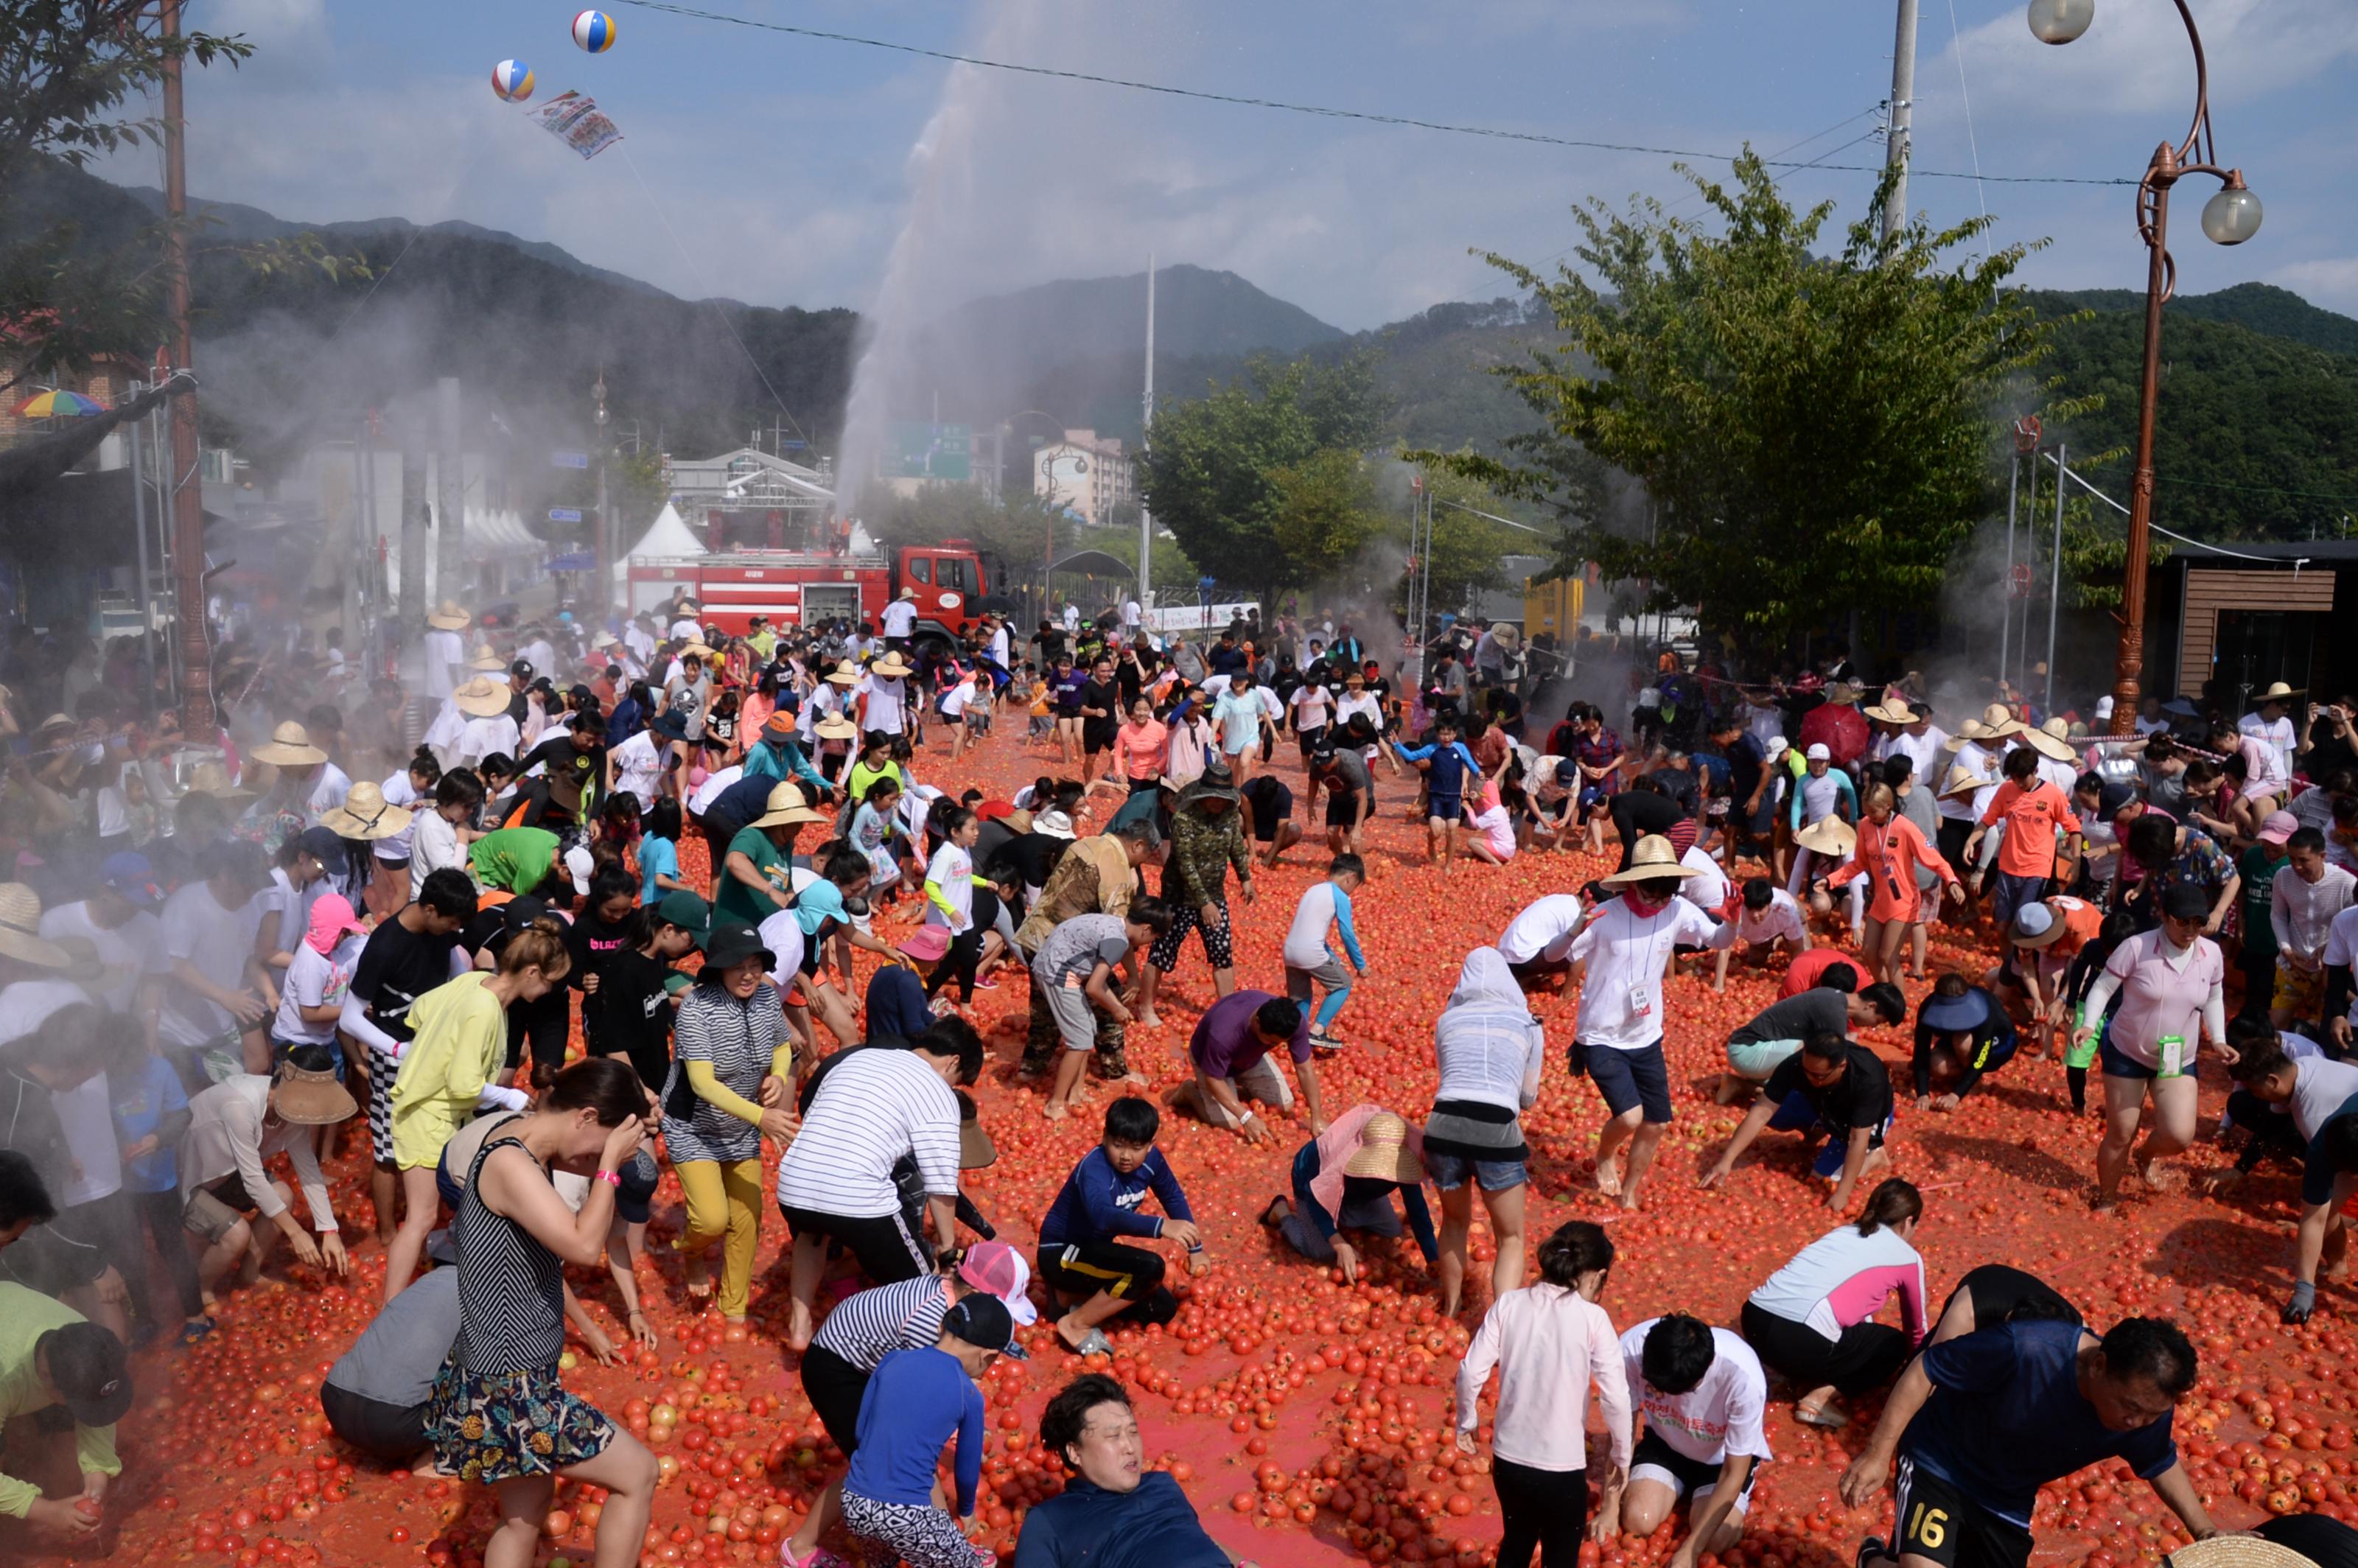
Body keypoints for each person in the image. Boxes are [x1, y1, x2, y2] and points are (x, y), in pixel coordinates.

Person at [424, 1057, 659, 1568]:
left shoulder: (520, 1142)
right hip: (511, 1386)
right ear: (585, 1116)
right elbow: (583, 1246)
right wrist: (610, 1166)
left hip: (497, 1375)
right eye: (598, 1143)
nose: (590, 1159)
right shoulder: (510, 1161)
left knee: (524, 1518)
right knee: (639, 1474)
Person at [1839, 1317, 2219, 1568]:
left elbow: (2158, 1461)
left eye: (2150, 1415)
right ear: (2099, 1366)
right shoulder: (2026, 1349)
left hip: (2006, 1496)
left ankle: (1878, 1563)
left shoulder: (2149, 1407)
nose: (2136, 1423)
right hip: (1940, 1463)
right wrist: (1877, 1454)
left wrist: (2204, 1531)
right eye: (2129, 1407)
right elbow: (1926, 1370)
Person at [786, 1244, 1040, 1567]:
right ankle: (801, 1548)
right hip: (835, 1366)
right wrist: (963, 1510)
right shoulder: (929, 1321)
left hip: (866, 1370)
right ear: (976, 1294)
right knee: (884, 1460)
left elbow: (879, 1415)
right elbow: (926, 1419)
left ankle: (921, 1541)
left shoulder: (940, 1323)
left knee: (879, 1461)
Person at [380, 920, 562, 1301]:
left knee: (446, 1210)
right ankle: (391, 1310)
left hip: (431, 1107)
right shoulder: (485, 1008)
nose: (549, 991)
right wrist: (509, 1097)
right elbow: (464, 1085)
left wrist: (438, 1049)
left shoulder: (474, 980)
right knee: (421, 1217)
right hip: (427, 1115)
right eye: (548, 981)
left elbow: (419, 1012)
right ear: (531, 972)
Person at [777, 1026, 981, 1351]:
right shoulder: (937, 1091)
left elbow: (815, 1114)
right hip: (856, 1196)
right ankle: (908, 1347)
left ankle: (800, 1326)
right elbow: (941, 1182)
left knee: (811, 1235)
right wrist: (946, 1246)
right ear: (953, 1062)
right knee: (924, 1283)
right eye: (957, 1081)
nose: (952, 1088)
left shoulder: (859, 1058)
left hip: (794, 1183)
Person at [1449, 1219, 1628, 1568]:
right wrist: (1620, 1455)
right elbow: (1616, 1398)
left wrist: (1467, 1420)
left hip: (1509, 1462)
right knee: (1560, 1557)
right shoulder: (1593, 1319)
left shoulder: (1509, 1304)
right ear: (1597, 1275)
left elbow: (1471, 1370)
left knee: (1516, 1542)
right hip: (1561, 1469)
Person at [1571, 836, 1736, 1210]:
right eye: (1651, 893)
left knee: (1657, 1123)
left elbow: (1718, 938)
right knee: (1630, 1117)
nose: (1659, 902)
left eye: (1667, 893)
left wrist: (1735, 922)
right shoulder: (1605, 916)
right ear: (1633, 883)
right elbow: (1558, 953)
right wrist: (1572, 928)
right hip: (1600, 1033)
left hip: (1646, 1034)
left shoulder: (1677, 910)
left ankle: (1630, 1189)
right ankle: (1604, 1154)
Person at [661, 922, 795, 1322]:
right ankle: (692, 1252)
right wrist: (763, 1116)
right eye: (739, 966)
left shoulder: (767, 1000)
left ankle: (733, 1308)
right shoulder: (696, 1011)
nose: (750, 974)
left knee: (747, 1218)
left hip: (740, 1128)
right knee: (710, 1219)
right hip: (694, 1127)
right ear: (718, 968)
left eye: (756, 964)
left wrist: (777, 1076)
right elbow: (702, 1084)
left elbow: (783, 1046)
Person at [340, 869, 477, 1243]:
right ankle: (386, 1234)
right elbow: (350, 1017)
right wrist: (399, 1049)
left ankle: (437, 1221)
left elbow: (457, 970)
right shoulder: (385, 946)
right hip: (394, 1056)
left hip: (439, 1051)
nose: (454, 929)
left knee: (443, 1138)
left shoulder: (443, 933)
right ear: (429, 909)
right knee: (388, 1148)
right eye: (451, 921)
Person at [2072, 882, 2228, 1208]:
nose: (2190, 930)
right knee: (2121, 1132)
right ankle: (2107, 1198)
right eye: (2182, 921)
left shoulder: (2211, 954)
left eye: (2198, 922)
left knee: (2180, 1135)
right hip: (2128, 1051)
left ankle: (2145, 1156)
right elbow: (2102, 988)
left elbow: (2214, 997)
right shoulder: (2135, 947)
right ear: (2164, 917)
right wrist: (2089, 1024)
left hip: (2178, 1057)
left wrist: (2219, 1039)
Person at [836, 1295, 1010, 1568]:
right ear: (987, 1356)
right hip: (907, 1514)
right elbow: (967, 1467)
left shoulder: (893, 1359)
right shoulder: (968, 1394)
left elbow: (862, 1430)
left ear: (943, 1326)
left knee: (882, 1563)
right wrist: (966, 1512)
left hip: (854, 1502)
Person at [1740, 1178, 1927, 1429]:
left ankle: (1799, 1374)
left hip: (1753, 1320)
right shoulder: (1908, 1258)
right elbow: (1916, 1331)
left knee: (1837, 1335)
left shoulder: (1843, 1232)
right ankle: (1820, 1398)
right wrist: (1917, 1377)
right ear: (1908, 1222)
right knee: (1893, 1344)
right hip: (1799, 1340)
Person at [178, 1046, 354, 1309]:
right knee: (237, 1233)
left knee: (283, 1195)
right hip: (189, 1180)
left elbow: (308, 1170)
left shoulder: (295, 1112)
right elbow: (253, 1180)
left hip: (228, 1172)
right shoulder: (239, 1106)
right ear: (285, 1080)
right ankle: (198, 1291)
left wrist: (329, 1230)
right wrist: (296, 1233)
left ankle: (248, 1273)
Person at [1422, 948, 1544, 1317]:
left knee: (1454, 1221)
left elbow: (1448, 1077)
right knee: (1510, 1237)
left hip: (1443, 1125)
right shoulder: (1528, 1023)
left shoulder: (1447, 1020)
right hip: (1496, 1129)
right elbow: (1528, 1097)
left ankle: (1452, 1306)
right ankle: (1502, 1325)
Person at [1036, 1096, 1206, 1355]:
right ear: (1105, 1138)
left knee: (1162, 1308)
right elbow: (1103, 1216)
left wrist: (1196, 1249)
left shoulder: (1153, 1161)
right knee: (1149, 1268)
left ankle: (1068, 1297)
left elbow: (1171, 1195)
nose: (1126, 1156)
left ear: (1151, 1145)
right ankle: (1075, 1323)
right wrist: (1160, 1226)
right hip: (1061, 1252)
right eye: (1118, 1145)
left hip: (1093, 1252)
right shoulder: (1095, 1167)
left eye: (1136, 1148)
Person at [1013, 1373, 1233, 1568]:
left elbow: (1198, 1538)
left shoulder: (1162, 1485)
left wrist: (1246, 1563)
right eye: (1113, 1436)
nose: (1130, 1447)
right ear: (1074, 1452)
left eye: (1133, 1432)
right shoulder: (1050, 1521)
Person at [1609, 1313, 1771, 1568]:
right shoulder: (1631, 1351)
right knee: (1637, 1521)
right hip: (1666, 1442)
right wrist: (1608, 1506)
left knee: (1714, 1542)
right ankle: (1682, 1490)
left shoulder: (1743, 1380)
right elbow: (1621, 1433)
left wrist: (1691, 1550)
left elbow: (1733, 1472)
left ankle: (1698, 1497)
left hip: (1721, 1458)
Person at [1701, 1029, 1895, 1211]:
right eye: (1806, 1071)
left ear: (1841, 1066)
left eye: (1818, 1075)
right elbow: (1761, 1112)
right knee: (1776, 1113)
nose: (1810, 1078)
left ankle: (1874, 1154)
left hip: (1863, 1122)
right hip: (1824, 1104)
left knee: (1823, 1178)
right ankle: (1819, 1128)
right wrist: (1727, 1160)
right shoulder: (1797, 1065)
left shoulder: (1867, 1080)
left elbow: (1857, 1139)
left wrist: (1843, 1194)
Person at [0, 1280, 132, 1539]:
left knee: (60, 1430)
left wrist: (97, 1471)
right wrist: (43, 1510)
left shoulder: (83, 1339)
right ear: (46, 1376)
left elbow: (97, 1402)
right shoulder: (6, 1375)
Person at [1259, 1105, 1437, 1284]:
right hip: (1311, 1184)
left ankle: (1344, 1214)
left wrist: (1434, 1260)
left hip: (1359, 1191)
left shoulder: (1404, 1162)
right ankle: (1281, 1211)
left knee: (1392, 1231)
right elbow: (1315, 1198)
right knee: (1321, 1252)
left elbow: (1417, 1211)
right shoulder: (1340, 1161)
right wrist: (1339, 1244)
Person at [1136, 766, 1254, 1025]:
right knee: (1162, 952)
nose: (1217, 802)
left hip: (1214, 894)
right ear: (1202, 794)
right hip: (1179, 896)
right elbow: (1185, 863)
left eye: (1222, 798)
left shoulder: (1229, 816)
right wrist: (1204, 904)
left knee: (1222, 952)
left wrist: (1245, 879)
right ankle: (1146, 1007)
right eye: (1212, 796)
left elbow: (1236, 846)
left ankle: (1228, 1011)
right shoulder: (1184, 819)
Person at [1032, 904, 1171, 1121]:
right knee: (1079, 1041)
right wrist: (1117, 1009)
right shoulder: (1117, 941)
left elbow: (1098, 980)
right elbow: (1094, 987)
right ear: (1146, 929)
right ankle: (1056, 1103)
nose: (1148, 944)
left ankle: (1076, 1093)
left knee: (1088, 1028)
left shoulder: (1115, 924)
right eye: (1152, 939)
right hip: (1057, 973)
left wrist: (1121, 999)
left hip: (1056, 963)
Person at [1819, 783, 1965, 989]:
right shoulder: (1866, 826)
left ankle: (1899, 1002)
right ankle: (1888, 995)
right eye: (1866, 810)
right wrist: (1830, 881)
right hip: (1881, 901)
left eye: (1873, 811)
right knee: (1869, 952)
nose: (1869, 815)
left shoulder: (1904, 826)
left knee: (1888, 956)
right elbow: (1858, 863)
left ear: (1888, 806)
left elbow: (1933, 858)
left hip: (1903, 901)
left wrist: (1952, 881)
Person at [1714, 970, 1906, 1105]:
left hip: (1753, 1048)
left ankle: (1739, 1085)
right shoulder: (1833, 1011)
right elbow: (1839, 1059)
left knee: (1809, 1072)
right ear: (1870, 1006)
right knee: (1819, 1061)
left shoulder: (1834, 998)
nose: (1873, 1027)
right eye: (1878, 1021)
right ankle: (1753, 1088)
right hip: (1746, 1051)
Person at [1165, 990, 1328, 1141]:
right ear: (1257, 1023)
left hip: (1250, 1058)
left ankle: (1234, 1091)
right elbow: (1213, 1080)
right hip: (1208, 1061)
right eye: (1272, 1042)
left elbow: (1305, 1069)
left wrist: (1317, 1117)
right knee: (1230, 1123)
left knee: (1284, 1105)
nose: (1276, 1045)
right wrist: (1245, 1117)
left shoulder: (1293, 1022)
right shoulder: (1223, 1035)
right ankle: (1191, 1093)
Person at [2273, 826, 2354, 1029]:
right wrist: (2287, 950)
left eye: (2304, 860)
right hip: (2293, 964)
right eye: (2292, 859)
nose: (2297, 867)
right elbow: (2278, 915)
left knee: (2318, 1028)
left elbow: (2352, 926)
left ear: (2323, 856)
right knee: (2276, 1026)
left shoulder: (2346, 883)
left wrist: (2327, 948)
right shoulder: (2283, 877)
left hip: (2329, 970)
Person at [1282, 855, 1367, 1051]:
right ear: (1350, 878)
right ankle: (1318, 1030)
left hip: (1289, 951)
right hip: (1310, 952)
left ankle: (1299, 1037)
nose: (1353, 891)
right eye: (1356, 886)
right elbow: (1347, 934)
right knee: (1343, 985)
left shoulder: (1313, 889)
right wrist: (1360, 965)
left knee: (1301, 997)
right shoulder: (1340, 896)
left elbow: (1310, 929)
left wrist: (1333, 957)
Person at [1911, 974, 2020, 1111]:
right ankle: (1965, 1074)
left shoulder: (1984, 1009)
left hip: (2000, 1042)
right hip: (1959, 1036)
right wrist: (1922, 1094)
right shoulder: (1928, 1007)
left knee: (1962, 1041)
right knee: (1936, 1065)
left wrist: (1955, 1095)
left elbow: (1981, 1058)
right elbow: (1921, 1049)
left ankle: (1974, 1082)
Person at [1393, 716, 1484, 869]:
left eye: (1449, 734)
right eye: (1442, 734)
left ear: (1455, 734)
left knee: (1452, 831)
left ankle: (1448, 865)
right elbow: (1411, 756)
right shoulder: (1431, 749)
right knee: (1436, 831)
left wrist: (1478, 772)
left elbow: (1470, 763)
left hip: (1454, 797)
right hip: (1436, 796)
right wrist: (1396, 744)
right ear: (1437, 734)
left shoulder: (1461, 748)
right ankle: (1431, 842)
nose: (1446, 738)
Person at [1711, 878, 1810, 994]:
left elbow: (1798, 948)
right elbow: (1725, 946)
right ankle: (1778, 939)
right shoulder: (1737, 910)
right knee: (1755, 961)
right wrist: (1718, 985)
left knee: (1806, 959)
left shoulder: (1786, 911)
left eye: (1759, 909)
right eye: (1750, 910)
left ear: (1769, 904)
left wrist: (1797, 982)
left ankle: (1784, 937)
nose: (1755, 915)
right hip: (1766, 930)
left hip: (1794, 914)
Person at [1496, 892, 1585, 991]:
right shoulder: (1577, 914)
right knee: (1585, 949)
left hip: (1505, 956)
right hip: (1523, 962)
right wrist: (1567, 993)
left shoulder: (1560, 898)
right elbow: (1579, 952)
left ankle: (1528, 976)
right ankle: (1564, 990)